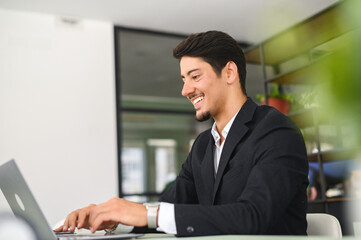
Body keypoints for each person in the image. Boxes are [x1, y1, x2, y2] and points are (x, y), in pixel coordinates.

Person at [55, 31, 309, 237]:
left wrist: (146, 213)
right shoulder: (202, 146)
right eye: (183, 79)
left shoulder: (276, 131)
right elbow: (170, 209)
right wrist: (112, 219)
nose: (185, 90)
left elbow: (253, 216)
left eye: (194, 76)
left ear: (229, 73)